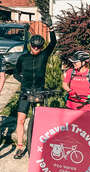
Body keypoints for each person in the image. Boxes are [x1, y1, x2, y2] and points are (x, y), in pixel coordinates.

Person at [13, 21, 57, 159]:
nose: (36, 48)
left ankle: (41, 145)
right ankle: (20, 147)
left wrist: (51, 28)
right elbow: (15, 73)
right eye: (34, 46)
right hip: (25, 92)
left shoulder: (43, 56)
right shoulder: (23, 58)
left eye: (39, 47)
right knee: (20, 120)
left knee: (40, 121)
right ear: (30, 45)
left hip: (39, 91)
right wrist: (23, 82)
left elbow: (53, 43)